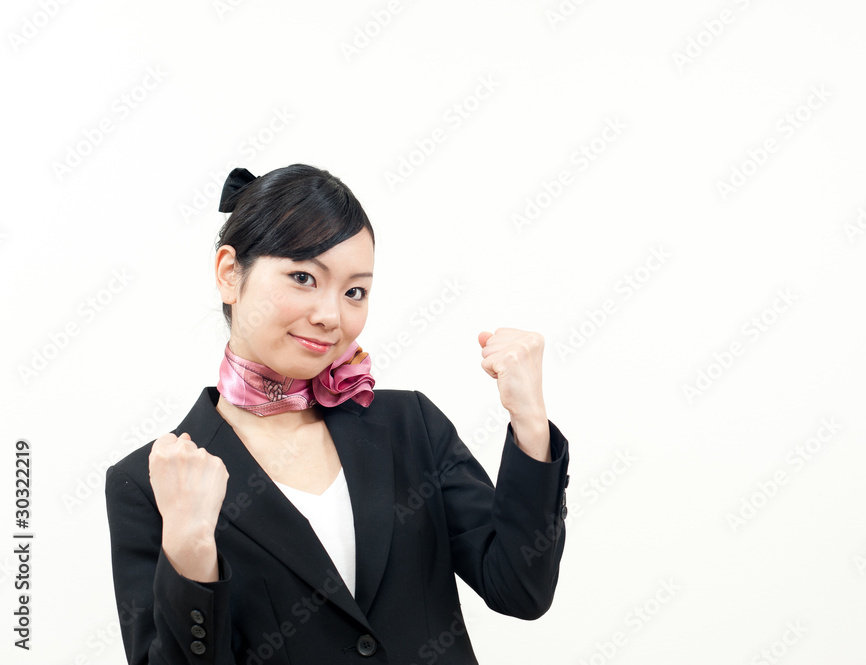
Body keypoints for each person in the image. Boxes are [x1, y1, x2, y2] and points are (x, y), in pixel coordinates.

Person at [104, 164, 570, 665]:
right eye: (303, 277)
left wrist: (530, 422)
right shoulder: (152, 481)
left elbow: (520, 588)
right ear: (228, 274)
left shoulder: (409, 426)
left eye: (355, 291)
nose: (331, 316)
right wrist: (190, 553)